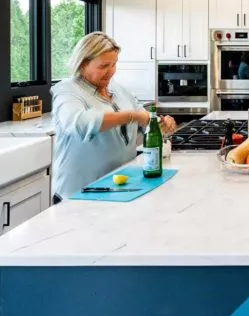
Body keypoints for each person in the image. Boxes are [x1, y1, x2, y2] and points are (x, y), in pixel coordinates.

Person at [50, 32, 176, 200]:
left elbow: (144, 119)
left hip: (120, 188)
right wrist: (131, 116)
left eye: (114, 64)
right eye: (103, 66)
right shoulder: (67, 90)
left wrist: (161, 123)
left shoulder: (117, 90)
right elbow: (79, 123)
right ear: (82, 64)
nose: (110, 72)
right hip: (79, 194)